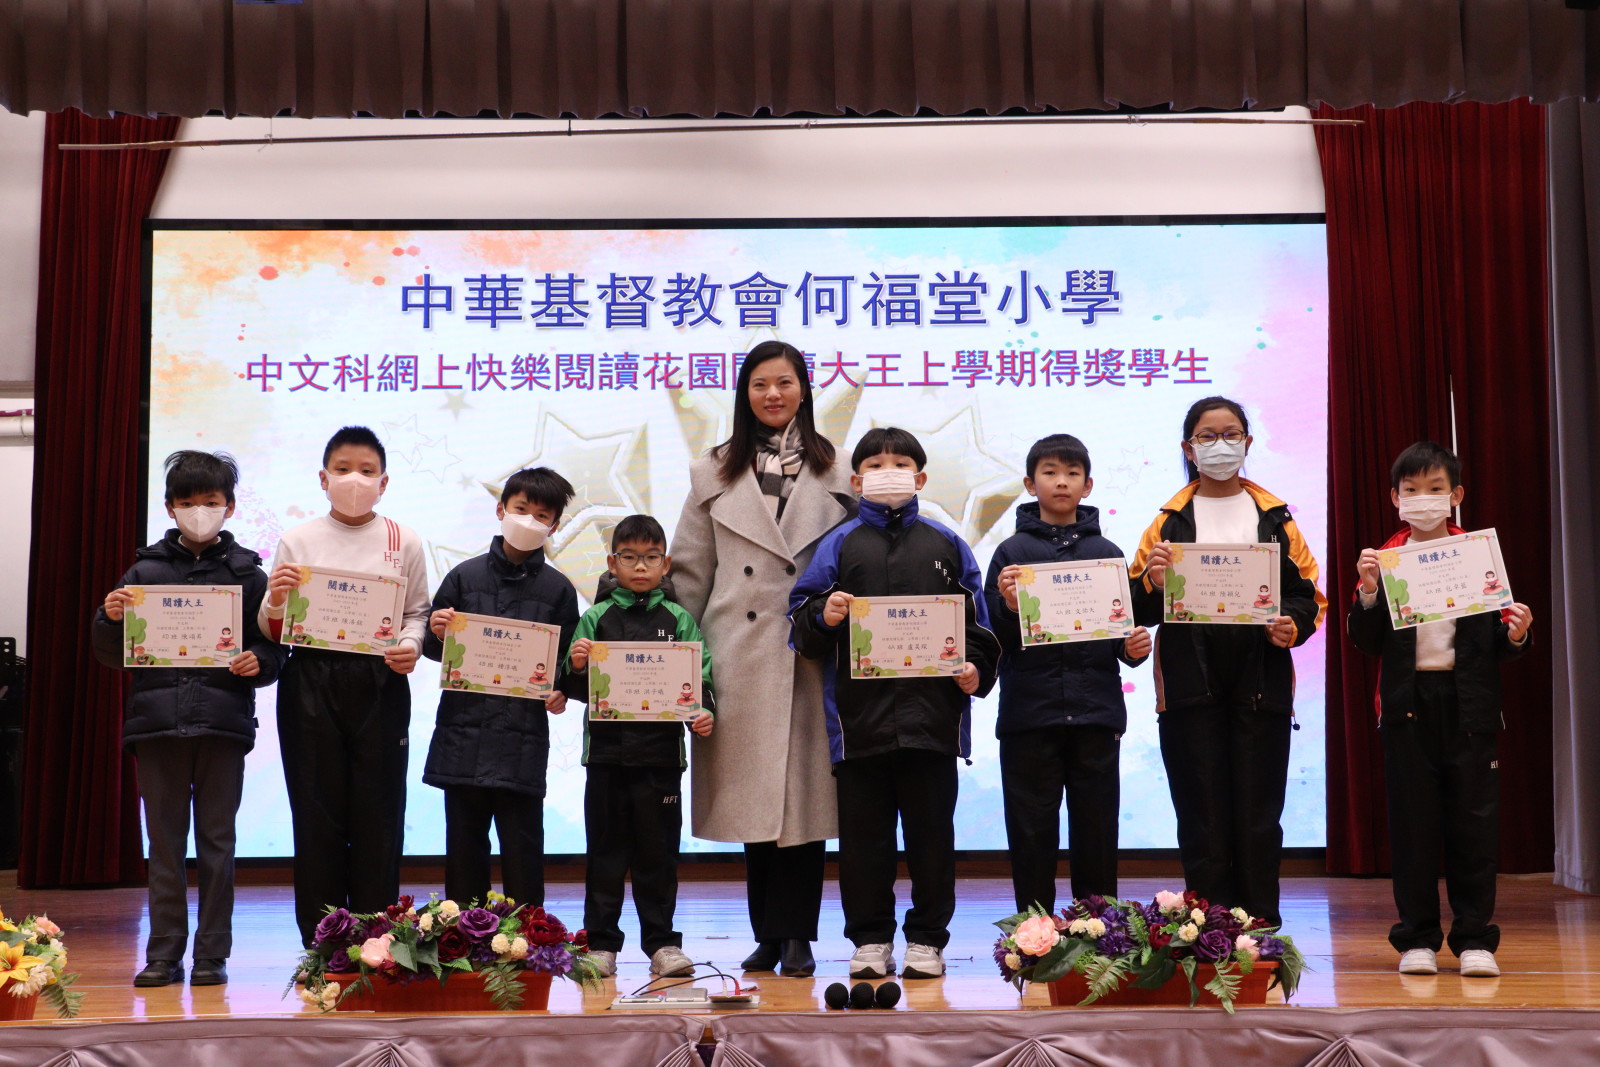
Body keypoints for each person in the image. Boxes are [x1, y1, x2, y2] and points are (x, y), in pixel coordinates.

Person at [670, 341, 856, 977]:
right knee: (756, 800)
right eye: (759, 384)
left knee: (804, 804)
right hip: (738, 652)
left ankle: (796, 935)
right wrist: (679, 666)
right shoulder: (712, 471)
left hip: (811, 651)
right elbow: (690, 573)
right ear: (743, 394)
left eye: (784, 382)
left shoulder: (842, 470)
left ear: (804, 388)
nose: (773, 395)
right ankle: (768, 936)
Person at [789, 427, 1001, 980]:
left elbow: (978, 626)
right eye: (876, 465)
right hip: (858, 723)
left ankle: (928, 940)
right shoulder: (838, 544)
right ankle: (870, 940)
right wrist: (824, 615)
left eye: (900, 463)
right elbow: (801, 621)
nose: (889, 472)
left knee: (932, 840)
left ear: (920, 478)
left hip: (934, 722)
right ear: (856, 480)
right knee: (865, 845)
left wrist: (976, 671)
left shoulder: (947, 544)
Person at [1127, 397, 1325, 927]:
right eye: (1207, 436)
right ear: (1189, 448)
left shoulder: (1275, 518)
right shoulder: (1167, 523)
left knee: (1259, 814)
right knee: (1201, 814)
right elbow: (1134, 608)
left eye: (1231, 434)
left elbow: (1307, 596)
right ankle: (1208, 930)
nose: (1220, 445)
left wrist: (1292, 625)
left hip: (1261, 680)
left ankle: (1260, 929)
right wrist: (1154, 582)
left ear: (1248, 443)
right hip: (1188, 684)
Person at [91, 450, 280, 988]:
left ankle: (212, 954)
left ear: (230, 506)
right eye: (188, 501)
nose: (200, 511)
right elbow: (110, 653)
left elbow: (273, 649)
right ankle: (164, 953)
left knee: (219, 844)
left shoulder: (250, 575)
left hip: (223, 726)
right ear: (170, 506)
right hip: (156, 727)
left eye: (211, 501)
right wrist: (109, 618)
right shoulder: (142, 573)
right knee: (165, 845)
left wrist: (258, 661)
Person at [1348, 441, 1533, 978]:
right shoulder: (1384, 559)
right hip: (1408, 706)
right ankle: (1418, 940)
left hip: (1469, 705)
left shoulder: (1476, 555)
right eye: (1411, 490)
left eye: (1435, 489)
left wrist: (1516, 634)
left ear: (1455, 495)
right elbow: (1367, 642)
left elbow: (1497, 643)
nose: (1423, 498)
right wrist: (1368, 592)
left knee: (1475, 828)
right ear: (1395, 498)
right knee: (1413, 828)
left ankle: (1474, 939)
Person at [259, 426, 431, 946]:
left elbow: (417, 613)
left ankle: (378, 941)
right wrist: (275, 599)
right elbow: (274, 628)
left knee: (379, 813)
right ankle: (323, 942)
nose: (354, 479)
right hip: (310, 677)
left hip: (379, 679)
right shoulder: (298, 539)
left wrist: (411, 645)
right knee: (315, 812)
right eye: (342, 469)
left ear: (384, 482)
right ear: (323, 477)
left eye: (366, 470)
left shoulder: (404, 539)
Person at [984, 433, 1153, 913]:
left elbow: (1117, 634)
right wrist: (1009, 607)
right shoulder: (1010, 553)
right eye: (1050, 472)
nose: (1062, 482)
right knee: (1030, 830)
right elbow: (994, 639)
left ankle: (1098, 931)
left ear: (1088, 485)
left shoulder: (1107, 551)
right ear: (1030, 484)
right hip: (1030, 715)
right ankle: (1033, 935)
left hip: (1095, 712)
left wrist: (1132, 649)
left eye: (1072, 473)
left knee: (1097, 829)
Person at [561, 514, 716, 979]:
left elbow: (700, 679)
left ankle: (663, 945)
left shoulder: (680, 619)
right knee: (604, 856)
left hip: (662, 759)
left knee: (658, 857)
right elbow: (574, 686)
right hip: (606, 758)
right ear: (612, 563)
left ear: (666, 564)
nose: (641, 567)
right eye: (629, 558)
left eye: (651, 558)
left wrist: (704, 712)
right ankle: (601, 945)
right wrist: (577, 664)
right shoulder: (595, 617)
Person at [421, 467, 581, 910]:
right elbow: (434, 649)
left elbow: (566, 662)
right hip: (463, 736)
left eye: (541, 515)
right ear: (500, 510)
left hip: (522, 742)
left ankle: (528, 940)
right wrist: (437, 631)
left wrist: (562, 689)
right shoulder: (463, 577)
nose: (529, 520)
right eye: (520, 509)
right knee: (464, 849)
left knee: (523, 850)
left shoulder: (559, 590)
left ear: (554, 526)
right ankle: (463, 939)